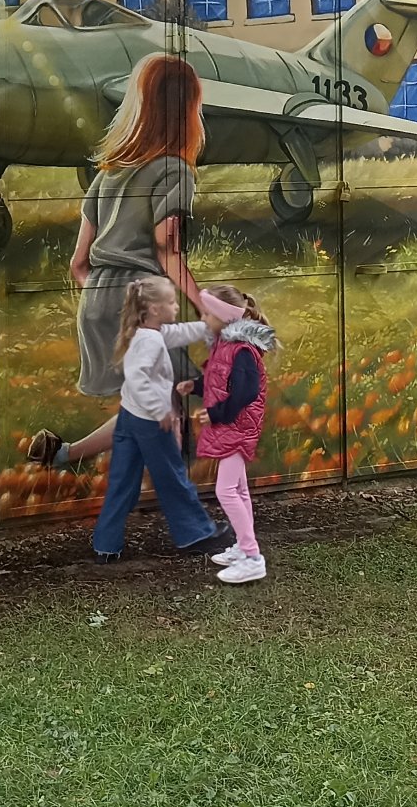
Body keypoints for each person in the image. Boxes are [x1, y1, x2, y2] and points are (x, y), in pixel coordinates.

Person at [28, 52, 209, 472]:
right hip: (141, 299)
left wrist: (104, 299)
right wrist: (204, 305)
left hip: (97, 298)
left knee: (158, 400)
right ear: (187, 109)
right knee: (165, 401)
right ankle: (163, 485)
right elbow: (166, 247)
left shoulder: (107, 174)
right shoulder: (174, 170)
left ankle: (64, 455)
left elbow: (78, 263)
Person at [89, 275, 240, 562]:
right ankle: (196, 534)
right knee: (172, 476)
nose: (176, 307)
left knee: (122, 482)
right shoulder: (149, 342)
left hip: (130, 417)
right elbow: (137, 378)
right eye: (171, 303)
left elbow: (177, 332)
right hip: (150, 423)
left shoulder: (149, 333)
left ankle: (106, 545)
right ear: (155, 309)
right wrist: (160, 410)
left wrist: (205, 326)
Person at [176, 283, 276, 584]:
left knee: (226, 491)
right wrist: (196, 386)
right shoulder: (225, 345)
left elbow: (245, 392)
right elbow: (220, 382)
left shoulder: (242, 350)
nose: (203, 319)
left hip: (238, 426)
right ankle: (244, 548)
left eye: (208, 314)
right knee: (239, 490)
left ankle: (252, 557)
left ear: (224, 316)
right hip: (233, 424)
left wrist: (216, 413)